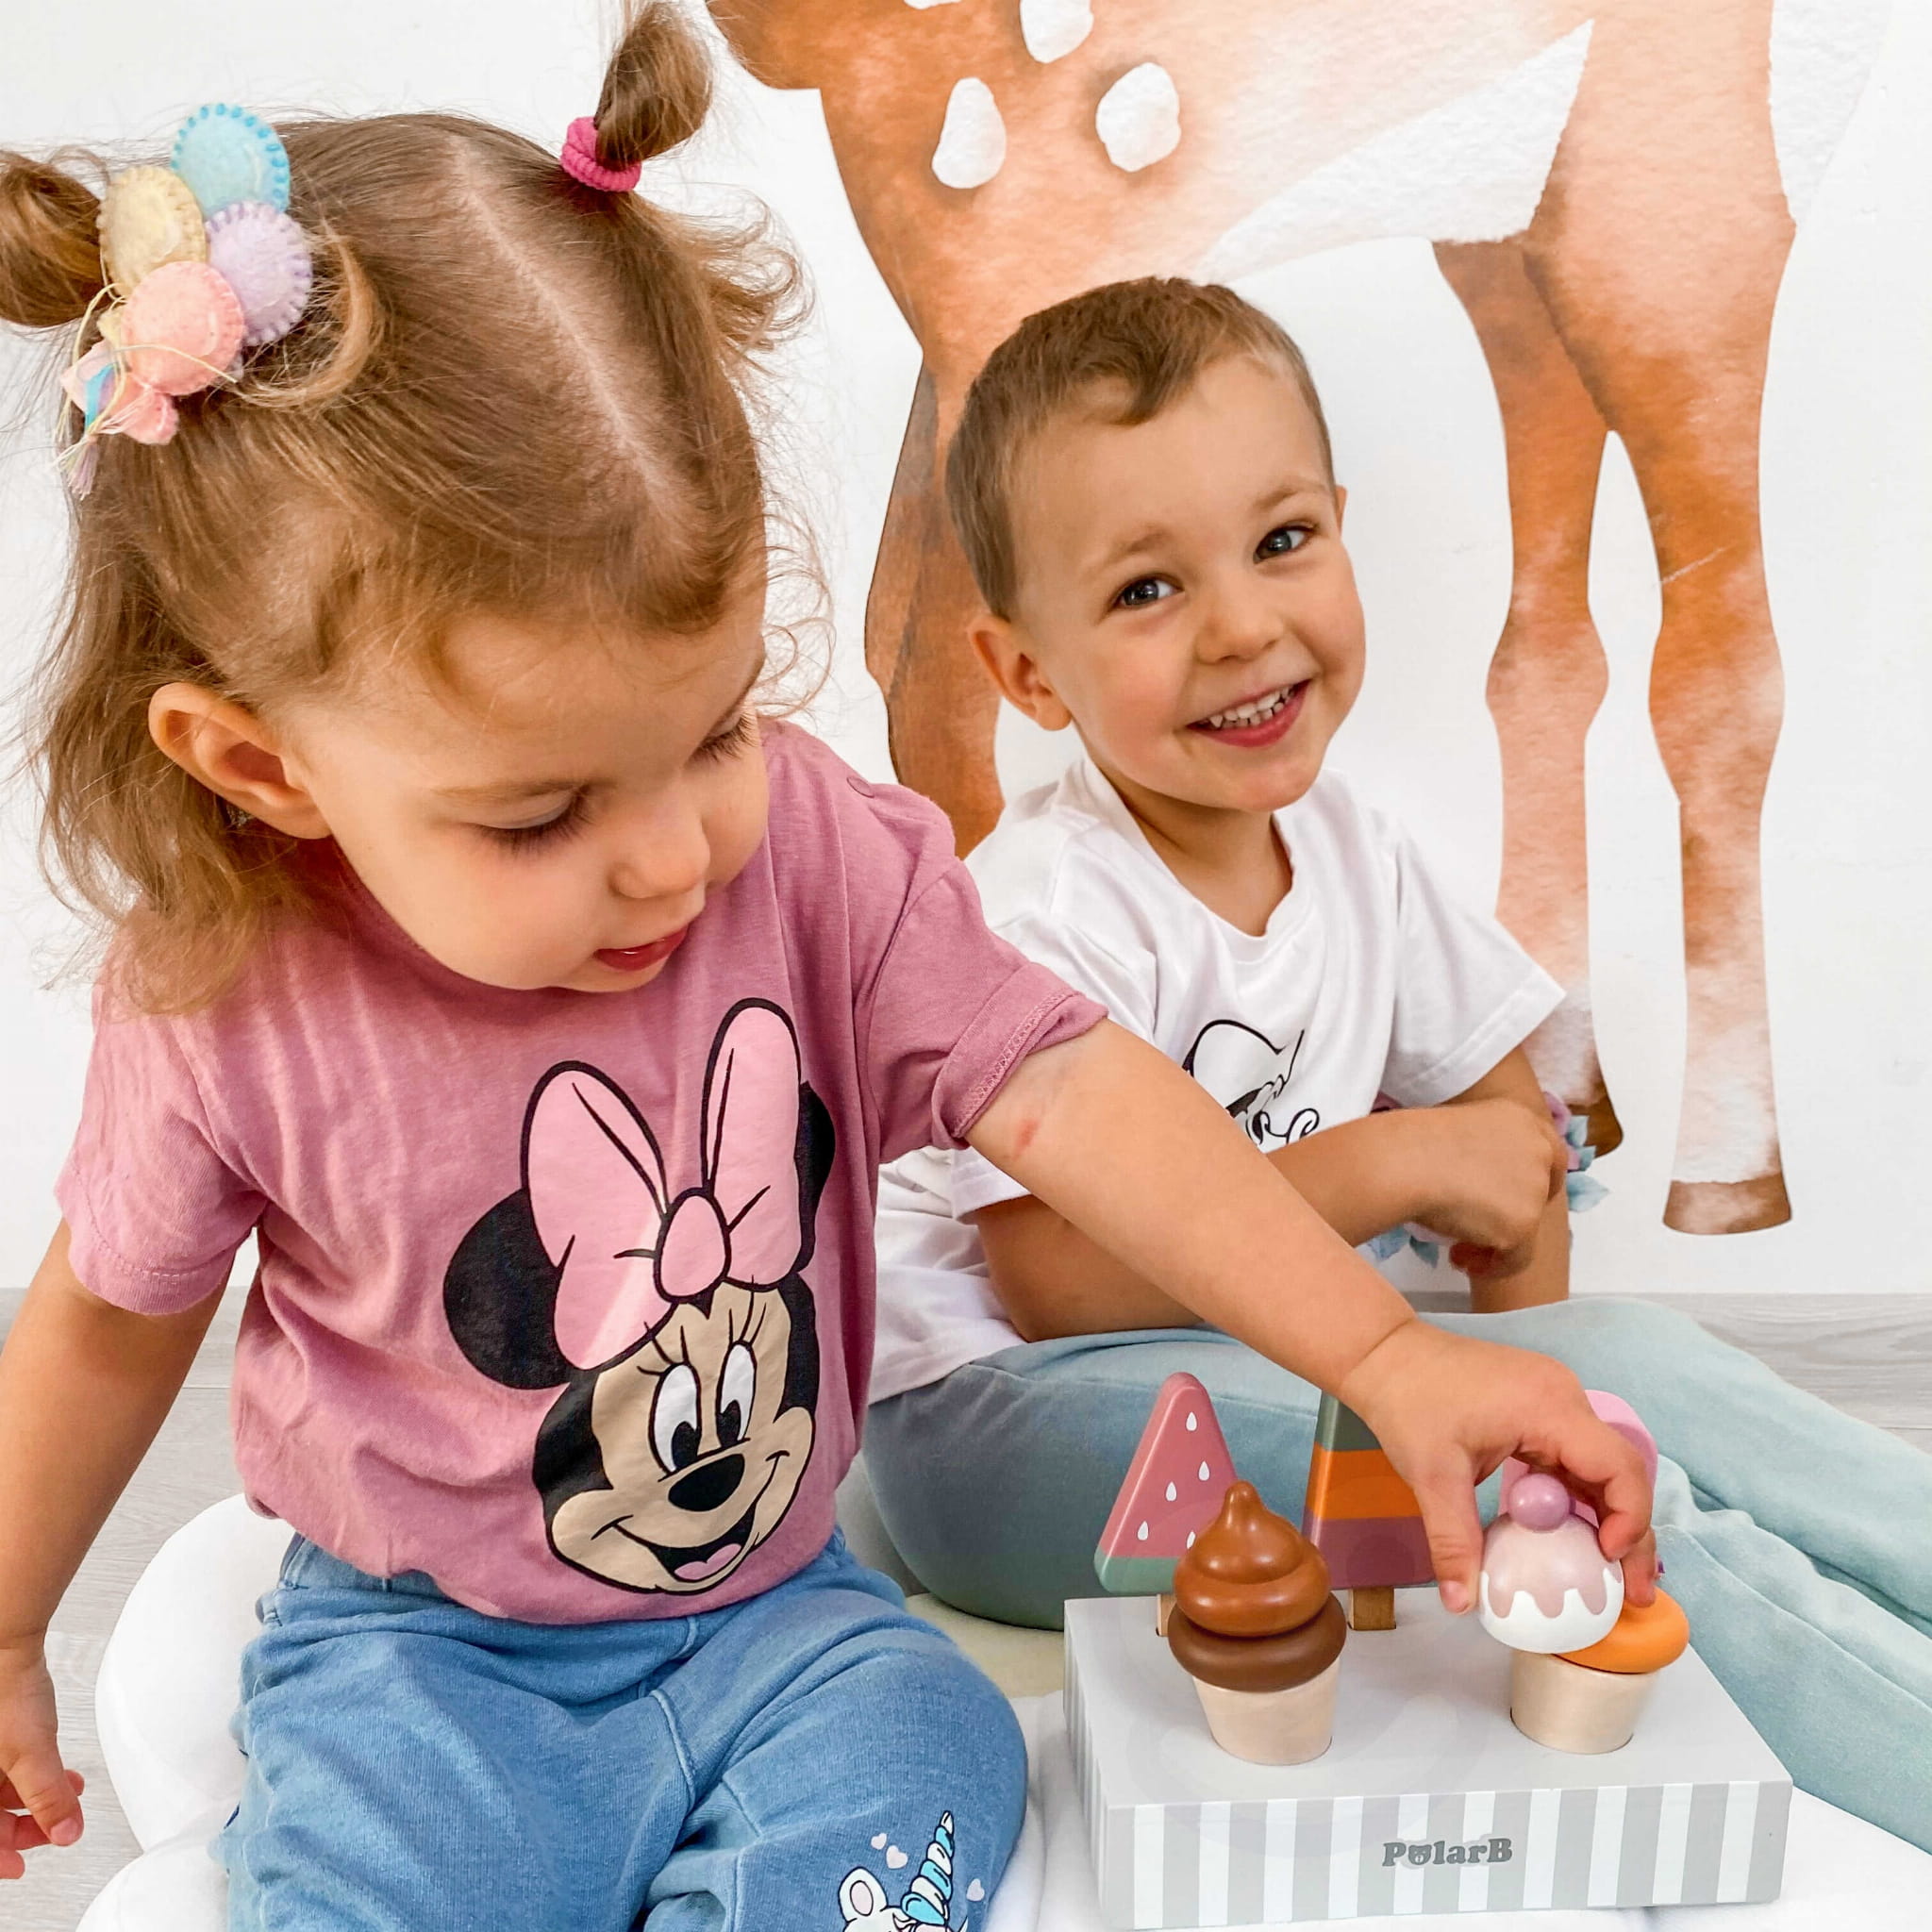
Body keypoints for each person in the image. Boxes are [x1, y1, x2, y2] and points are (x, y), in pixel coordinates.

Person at [0, 14, 1653, 1924]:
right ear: (262, 763)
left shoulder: (809, 850)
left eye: (716, 728)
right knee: (386, 1874)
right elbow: (106, 1323)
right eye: (539, 814)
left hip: (780, 1620)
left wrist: (1380, 1350)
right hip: (425, 1664)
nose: (670, 854)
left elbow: (1074, 1091)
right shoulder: (229, 1000)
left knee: (939, 1750)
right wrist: (10, 1627)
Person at [867, 276, 1932, 1852]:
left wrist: (1543, 1370)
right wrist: (1396, 1168)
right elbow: (1058, 1285)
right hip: (1003, 1428)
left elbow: (1513, 1160)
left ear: (1342, 532)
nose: (1244, 625)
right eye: (1148, 589)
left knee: (1658, 1370)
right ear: (1029, 674)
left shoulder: (1354, 849)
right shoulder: (1048, 907)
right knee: (1603, 1496)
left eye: (1283, 540)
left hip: (1248, 1369)